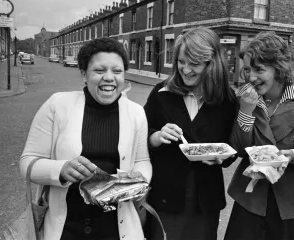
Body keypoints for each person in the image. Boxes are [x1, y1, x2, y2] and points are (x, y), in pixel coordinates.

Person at [19, 37, 152, 240]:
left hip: (118, 228)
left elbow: (143, 160)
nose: (109, 77)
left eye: (117, 71)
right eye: (99, 71)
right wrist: (61, 170)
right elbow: (28, 162)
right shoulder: (57, 105)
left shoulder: (136, 113)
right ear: (84, 74)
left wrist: (139, 181)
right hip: (66, 227)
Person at [143, 27, 237, 240]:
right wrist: (156, 137)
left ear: (212, 64)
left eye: (194, 64)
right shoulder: (161, 93)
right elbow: (140, 135)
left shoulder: (227, 100)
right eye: (181, 62)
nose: (185, 70)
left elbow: (231, 148)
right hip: (165, 196)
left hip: (205, 201)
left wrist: (221, 158)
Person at [224, 31, 294, 240]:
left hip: (289, 200)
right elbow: (238, 149)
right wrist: (246, 110)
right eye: (246, 69)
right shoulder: (245, 98)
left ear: (279, 69)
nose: (251, 77)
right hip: (250, 199)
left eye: (259, 69)